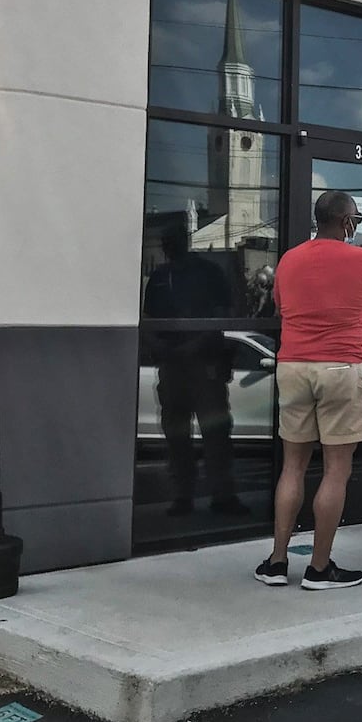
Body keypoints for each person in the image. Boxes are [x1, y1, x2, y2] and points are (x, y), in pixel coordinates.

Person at [255, 190, 362, 591]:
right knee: (335, 470)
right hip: (341, 366)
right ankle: (319, 567)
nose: (356, 226)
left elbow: (279, 307)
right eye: (356, 219)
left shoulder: (289, 259)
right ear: (345, 221)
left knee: (292, 465)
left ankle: (277, 562)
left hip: (293, 365)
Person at [141, 221, 241, 517]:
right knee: (176, 435)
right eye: (164, 241)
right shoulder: (160, 276)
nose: (166, 245)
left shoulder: (209, 273)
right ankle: (183, 496)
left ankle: (222, 495)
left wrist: (192, 346)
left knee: (216, 435)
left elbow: (221, 317)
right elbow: (147, 319)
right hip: (172, 366)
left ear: (184, 240)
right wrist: (159, 346)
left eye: (170, 239)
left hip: (205, 365)